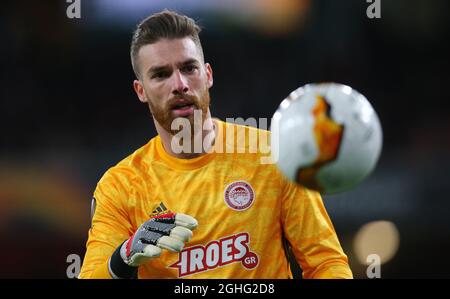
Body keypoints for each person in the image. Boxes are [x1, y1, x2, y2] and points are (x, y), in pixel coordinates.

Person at [78, 10, 353, 279]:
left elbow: (327, 263)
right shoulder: (120, 186)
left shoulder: (274, 154)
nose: (180, 84)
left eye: (189, 68)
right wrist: (122, 258)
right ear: (141, 91)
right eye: (161, 74)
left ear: (207, 75)